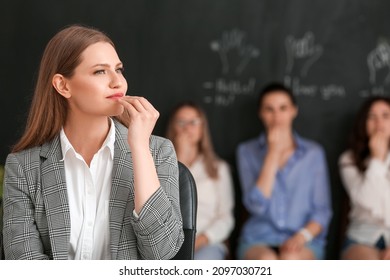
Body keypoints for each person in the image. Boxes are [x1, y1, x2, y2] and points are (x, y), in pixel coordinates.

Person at [2, 24, 184, 260]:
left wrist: (139, 147)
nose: (117, 82)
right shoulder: (23, 167)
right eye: (100, 71)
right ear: (63, 85)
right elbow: (23, 264)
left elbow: (162, 252)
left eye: (118, 70)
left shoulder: (157, 152)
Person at [236, 82, 332, 260]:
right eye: (269, 109)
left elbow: (322, 211)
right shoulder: (247, 151)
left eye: (283, 108)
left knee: (290, 260)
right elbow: (256, 205)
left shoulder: (313, 153)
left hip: (304, 239)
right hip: (258, 238)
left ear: (293, 111)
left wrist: (302, 236)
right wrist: (273, 153)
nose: (276, 116)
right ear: (261, 114)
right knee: (267, 262)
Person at [166, 101, 235, 260]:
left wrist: (201, 240)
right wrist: (180, 158)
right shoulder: (160, 166)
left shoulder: (219, 168)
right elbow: (166, 205)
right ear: (173, 127)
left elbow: (225, 217)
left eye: (194, 122)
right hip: (168, 243)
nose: (187, 128)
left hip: (207, 243)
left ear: (202, 127)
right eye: (181, 122)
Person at [339, 96, 390, 260]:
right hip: (361, 237)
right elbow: (366, 201)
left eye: (385, 116)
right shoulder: (349, 159)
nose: (379, 123)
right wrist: (377, 160)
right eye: (371, 117)